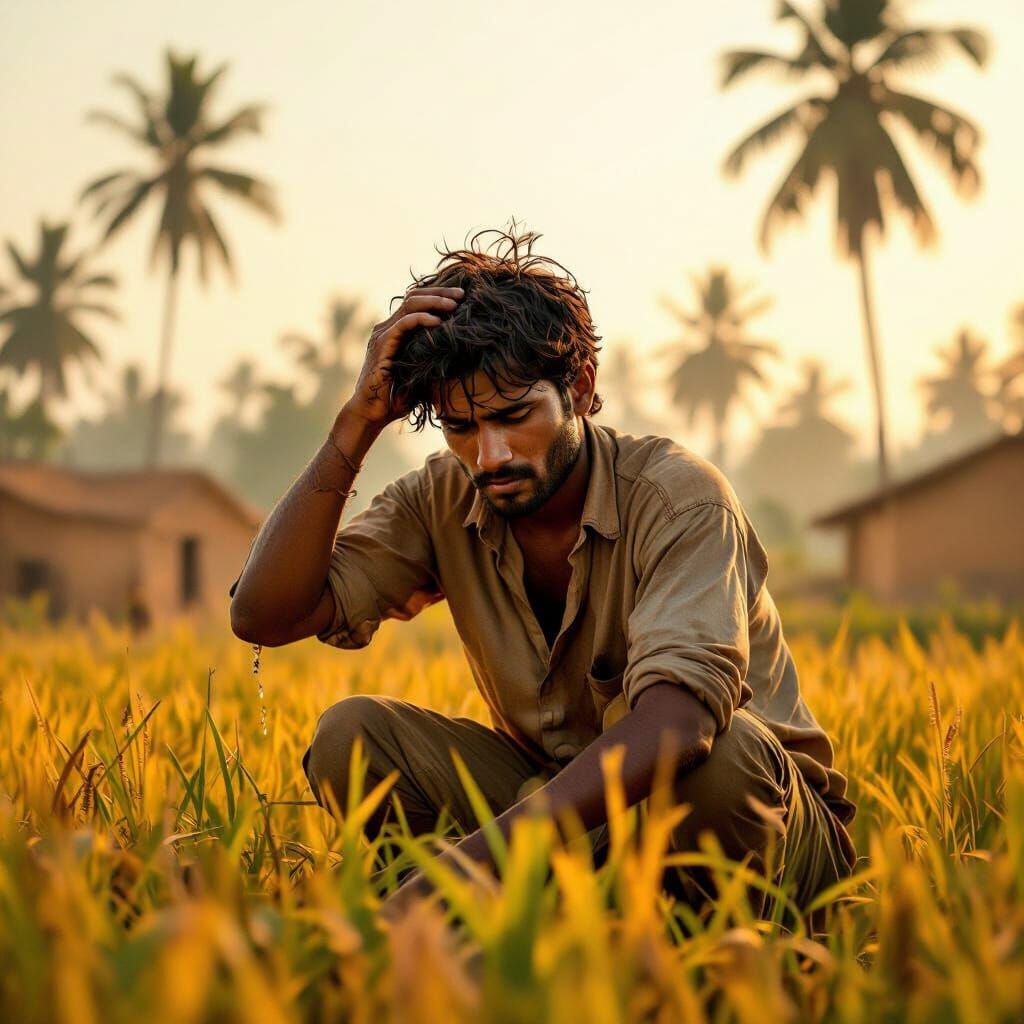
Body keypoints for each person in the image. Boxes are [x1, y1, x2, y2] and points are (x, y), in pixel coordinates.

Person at [229, 225, 857, 922]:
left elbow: (678, 724)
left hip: (752, 826)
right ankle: (479, 951)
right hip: (574, 813)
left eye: (514, 415)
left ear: (581, 389)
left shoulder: (680, 496)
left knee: (720, 752)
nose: (490, 454)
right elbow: (265, 615)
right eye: (461, 427)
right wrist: (356, 424)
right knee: (352, 736)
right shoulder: (443, 496)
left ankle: (716, 960)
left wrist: (467, 868)